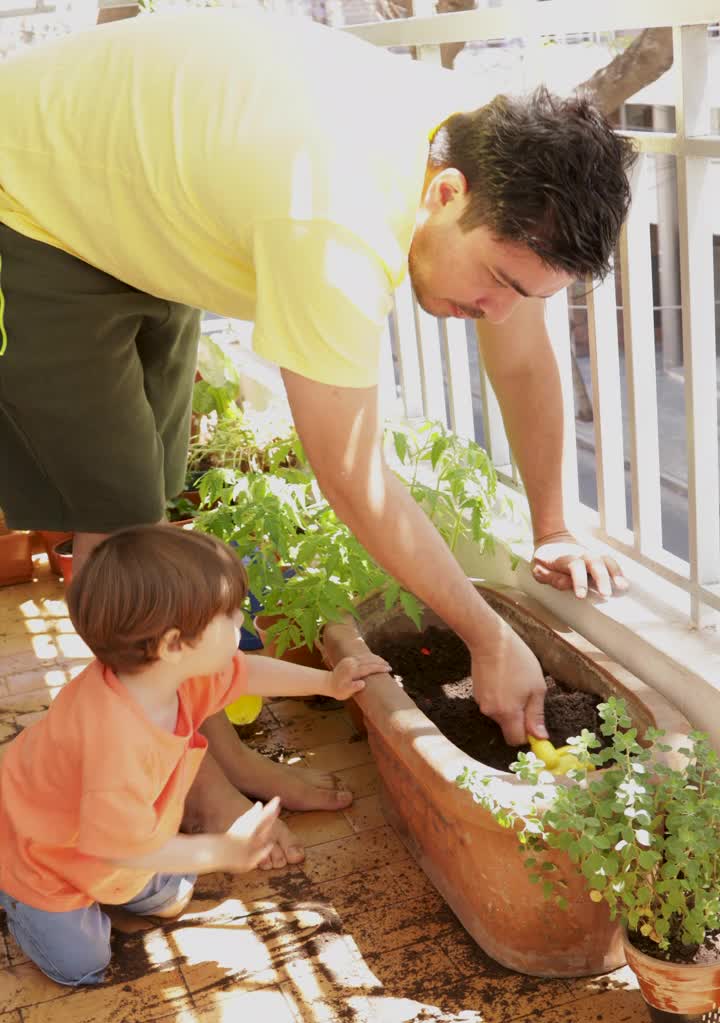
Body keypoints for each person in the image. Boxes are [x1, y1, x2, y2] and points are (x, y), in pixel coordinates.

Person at [0, 7, 634, 862]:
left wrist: (554, 525)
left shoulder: (502, 155)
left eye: (526, 293)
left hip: (127, 195)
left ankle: (206, 750)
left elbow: (520, 362)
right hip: (30, 205)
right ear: (444, 194)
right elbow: (352, 475)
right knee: (119, 534)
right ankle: (202, 780)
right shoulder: (335, 218)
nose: (496, 312)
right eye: (495, 282)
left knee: (148, 502)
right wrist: (490, 636)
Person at [0, 525, 390, 986]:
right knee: (82, 965)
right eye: (228, 616)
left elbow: (245, 673)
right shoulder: (116, 745)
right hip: (40, 852)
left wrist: (327, 683)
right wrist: (220, 850)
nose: (241, 623)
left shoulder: (168, 675)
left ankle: (116, 881)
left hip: (109, 834)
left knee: (169, 897)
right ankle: (14, 891)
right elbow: (113, 847)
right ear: (172, 645)